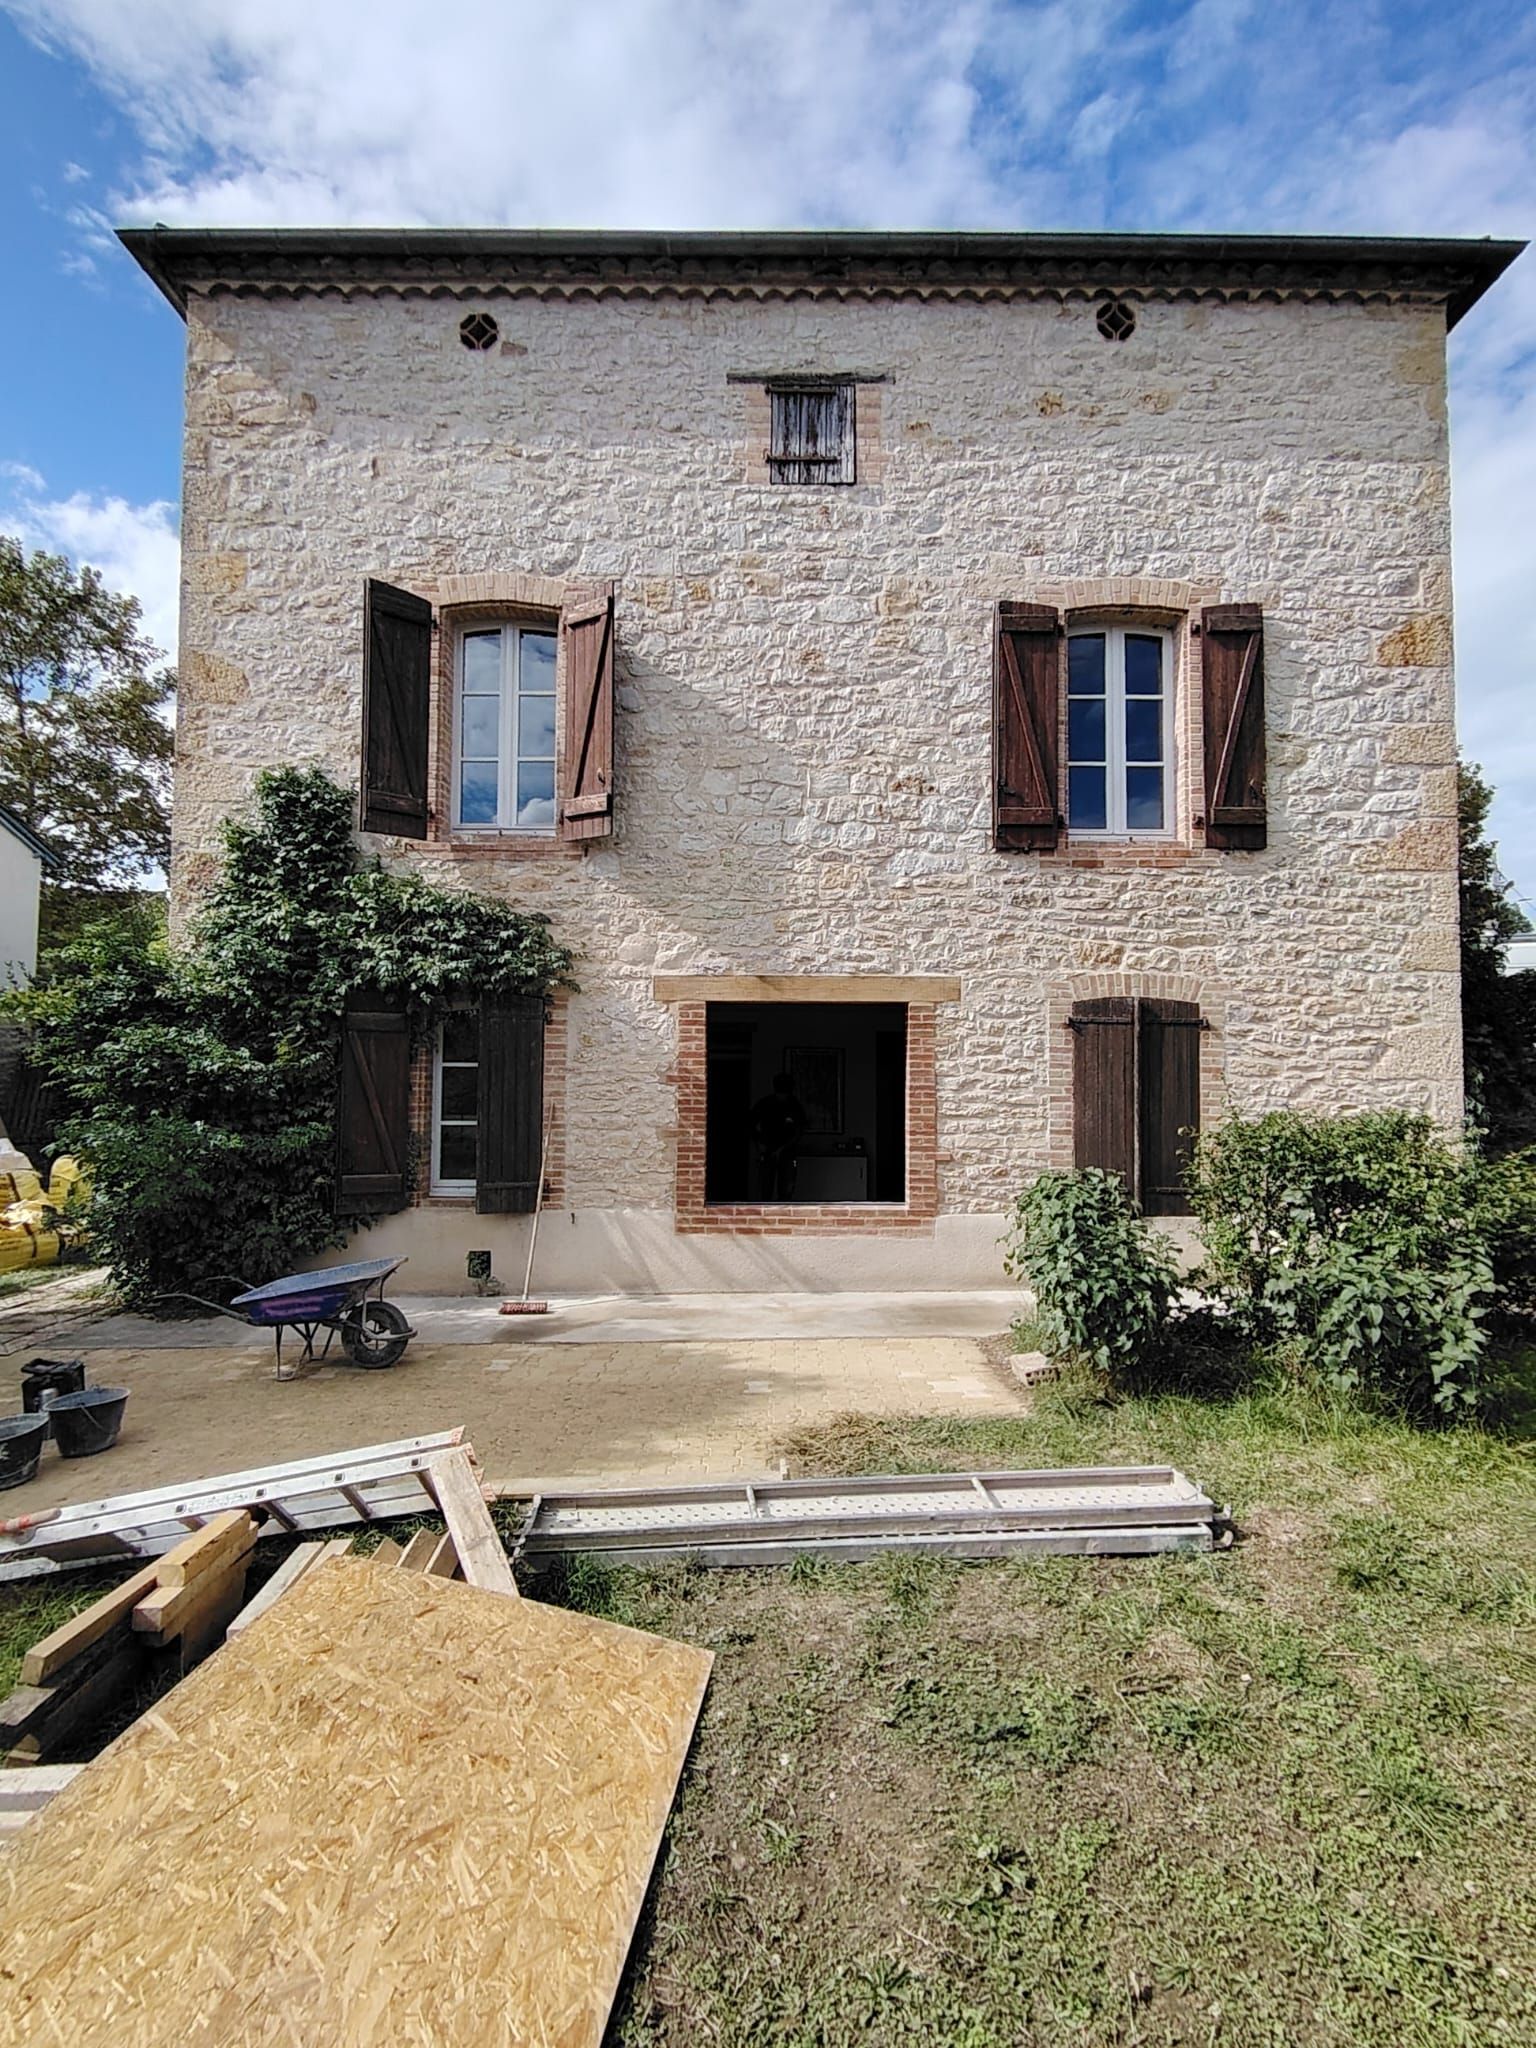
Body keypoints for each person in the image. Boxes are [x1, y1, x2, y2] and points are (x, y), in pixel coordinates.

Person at [750, 1073, 807, 1200]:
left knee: (786, 1190)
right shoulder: (765, 1104)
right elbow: (751, 1125)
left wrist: (783, 1148)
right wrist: (759, 1145)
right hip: (767, 1151)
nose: (782, 1096)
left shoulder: (794, 1106)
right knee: (765, 1189)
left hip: (787, 1152)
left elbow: (799, 1130)